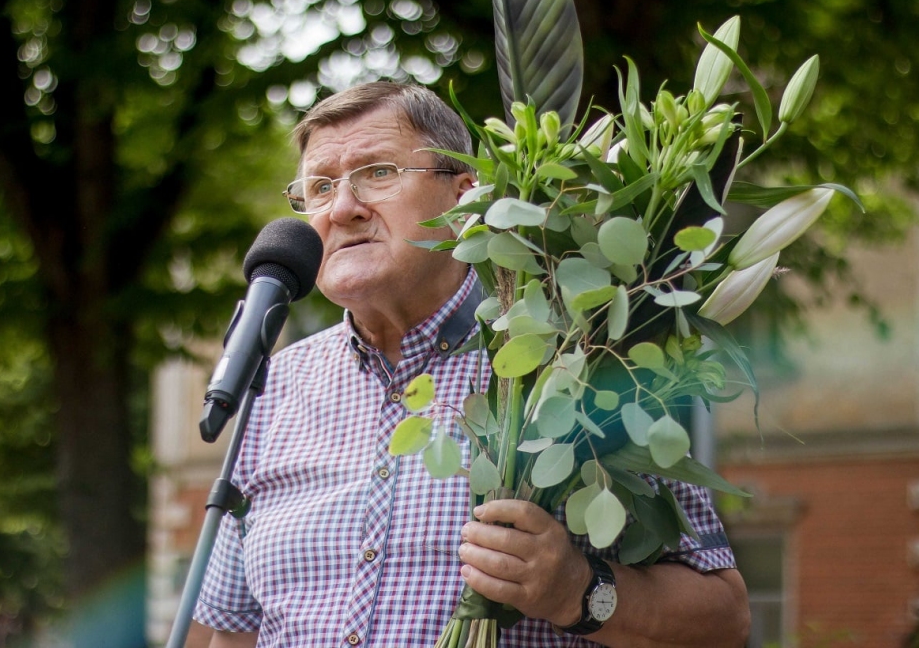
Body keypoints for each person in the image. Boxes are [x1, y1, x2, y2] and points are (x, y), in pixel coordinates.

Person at [190, 82, 751, 647]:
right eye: (320, 187)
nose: (342, 209)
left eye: (379, 172)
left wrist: (577, 591)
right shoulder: (274, 386)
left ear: (464, 197)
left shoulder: (573, 363)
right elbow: (233, 634)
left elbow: (724, 620)